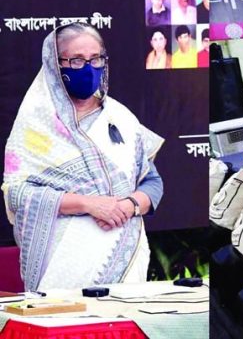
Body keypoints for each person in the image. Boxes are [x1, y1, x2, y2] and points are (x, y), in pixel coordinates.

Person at [3, 23, 163, 291]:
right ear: (56, 64)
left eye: (96, 58)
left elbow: (152, 183)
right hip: (61, 272)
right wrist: (89, 204)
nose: (89, 68)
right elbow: (17, 194)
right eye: (76, 60)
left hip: (126, 270)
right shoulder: (35, 124)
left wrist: (127, 206)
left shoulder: (120, 117)